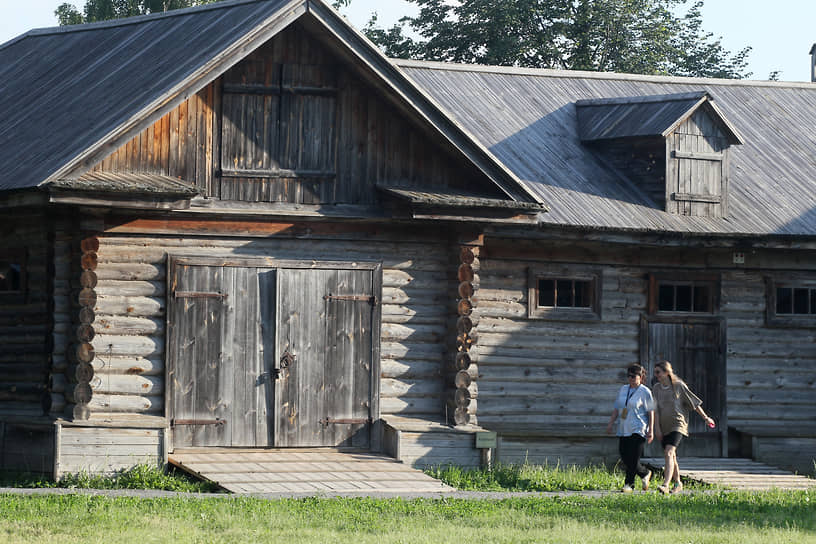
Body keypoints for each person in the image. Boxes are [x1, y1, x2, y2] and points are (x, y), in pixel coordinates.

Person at [652, 360, 715, 494]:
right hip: (664, 426)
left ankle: (665, 484)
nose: (656, 374)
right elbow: (655, 410)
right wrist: (656, 428)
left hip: (678, 425)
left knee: (668, 452)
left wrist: (705, 417)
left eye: (658, 372)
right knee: (672, 456)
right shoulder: (656, 388)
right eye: (655, 372)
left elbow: (694, 403)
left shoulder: (678, 386)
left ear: (666, 372)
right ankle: (678, 483)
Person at [606, 364, 655, 493]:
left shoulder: (646, 392)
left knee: (633, 458)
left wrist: (651, 430)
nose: (631, 378)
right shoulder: (623, 389)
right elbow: (617, 407)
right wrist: (611, 423)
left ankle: (629, 485)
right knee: (624, 456)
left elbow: (651, 411)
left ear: (640, 376)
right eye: (628, 376)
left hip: (639, 428)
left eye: (633, 376)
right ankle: (644, 473)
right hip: (623, 427)